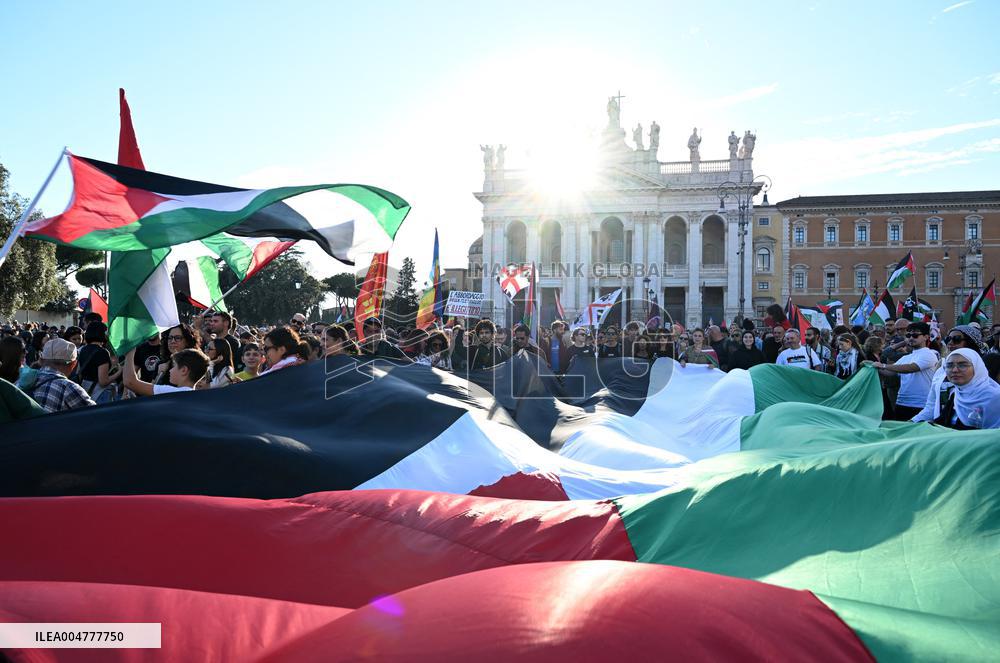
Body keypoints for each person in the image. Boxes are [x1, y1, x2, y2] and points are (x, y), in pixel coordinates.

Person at [865, 322, 939, 421]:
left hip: (921, 404)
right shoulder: (906, 357)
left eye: (915, 335)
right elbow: (891, 372)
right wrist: (871, 366)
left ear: (926, 337)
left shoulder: (929, 354)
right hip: (902, 402)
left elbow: (910, 368)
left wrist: (883, 365)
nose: (911, 338)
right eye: (908, 335)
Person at [912, 348, 1000, 429]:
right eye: (949, 365)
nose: (954, 370)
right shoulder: (956, 394)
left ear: (977, 368)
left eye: (962, 365)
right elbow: (941, 423)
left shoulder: (994, 397)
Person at [26, 339, 96, 412]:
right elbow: (95, 415)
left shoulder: (24, 380)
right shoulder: (69, 388)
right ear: (73, 364)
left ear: (41, 360)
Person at [123, 346, 209, 396]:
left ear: (184, 370)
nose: (170, 370)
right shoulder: (196, 397)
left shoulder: (171, 392)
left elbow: (130, 382)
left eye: (174, 366)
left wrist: (130, 352)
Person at [77, 322, 121, 403]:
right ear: (102, 333)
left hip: (84, 391)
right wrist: (119, 372)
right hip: (99, 394)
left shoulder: (83, 349)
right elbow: (103, 382)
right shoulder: (102, 352)